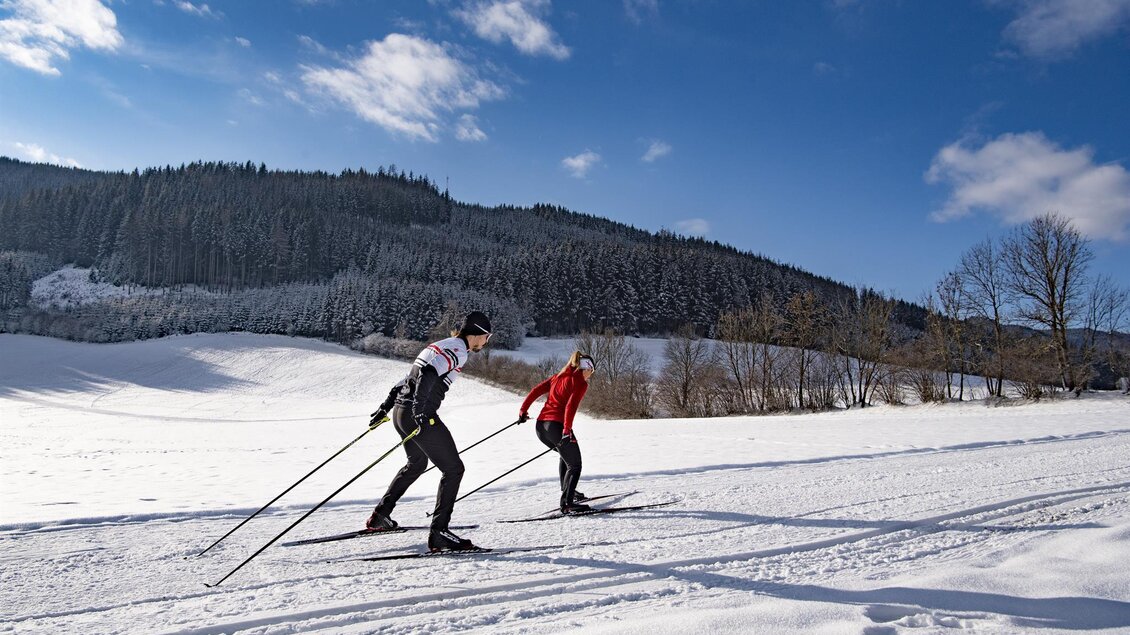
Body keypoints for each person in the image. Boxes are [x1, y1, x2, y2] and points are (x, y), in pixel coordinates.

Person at [365, 311, 493, 551]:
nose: (487, 342)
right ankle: (439, 533)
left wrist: (385, 408)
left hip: (400, 414)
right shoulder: (458, 350)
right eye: (488, 337)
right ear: (478, 334)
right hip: (417, 415)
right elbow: (428, 373)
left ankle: (381, 515)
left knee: (416, 464)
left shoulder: (438, 345)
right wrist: (421, 411)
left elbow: (406, 380)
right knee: (454, 469)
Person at [519, 351, 595, 514]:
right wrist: (567, 430)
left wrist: (523, 411)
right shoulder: (580, 382)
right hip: (557, 426)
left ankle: (568, 491)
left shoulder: (558, 376)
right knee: (575, 465)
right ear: (586, 368)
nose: (590, 376)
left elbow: (535, 391)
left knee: (566, 456)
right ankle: (567, 504)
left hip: (541, 427)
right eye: (591, 371)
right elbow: (570, 407)